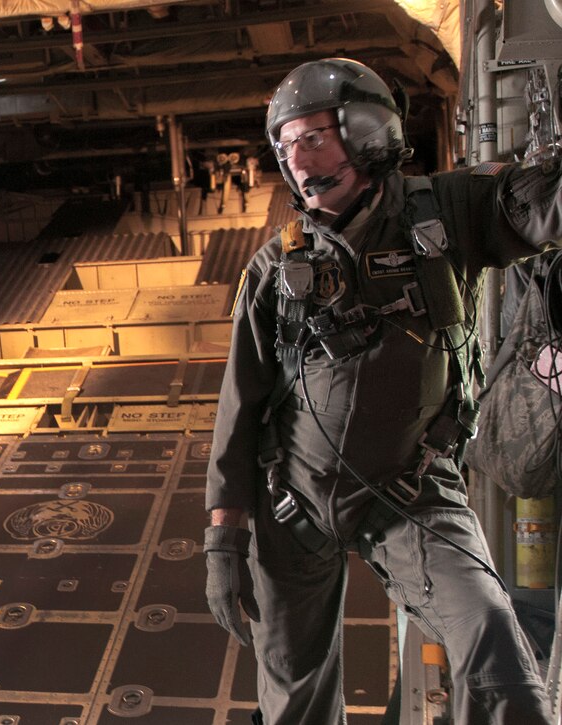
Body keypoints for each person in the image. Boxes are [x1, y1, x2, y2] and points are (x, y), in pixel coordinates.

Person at [203, 57, 562, 724]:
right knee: (294, 697)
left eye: (313, 137)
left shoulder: (445, 212)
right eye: (286, 145)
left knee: (494, 647)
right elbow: (238, 413)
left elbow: (535, 214)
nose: (299, 160)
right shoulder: (275, 268)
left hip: (412, 490)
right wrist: (223, 541)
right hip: (295, 502)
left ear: (368, 133)